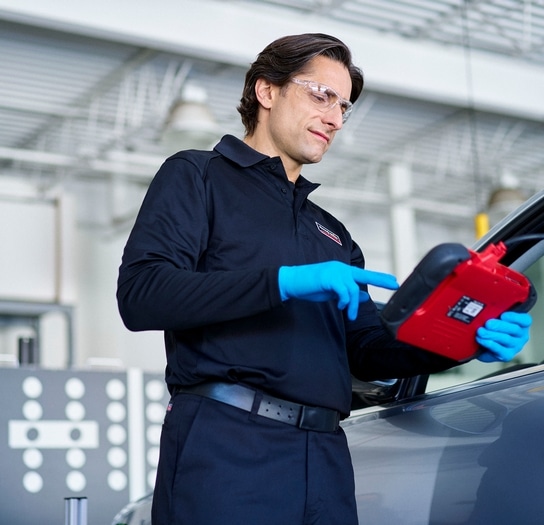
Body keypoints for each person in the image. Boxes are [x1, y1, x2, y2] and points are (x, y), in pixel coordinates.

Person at [116, 33, 531, 525]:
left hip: (327, 455)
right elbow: (142, 295)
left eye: (344, 106)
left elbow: (369, 349)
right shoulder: (198, 175)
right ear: (266, 91)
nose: (335, 118)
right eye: (321, 95)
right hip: (227, 446)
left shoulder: (332, 233)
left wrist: (461, 342)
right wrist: (283, 283)